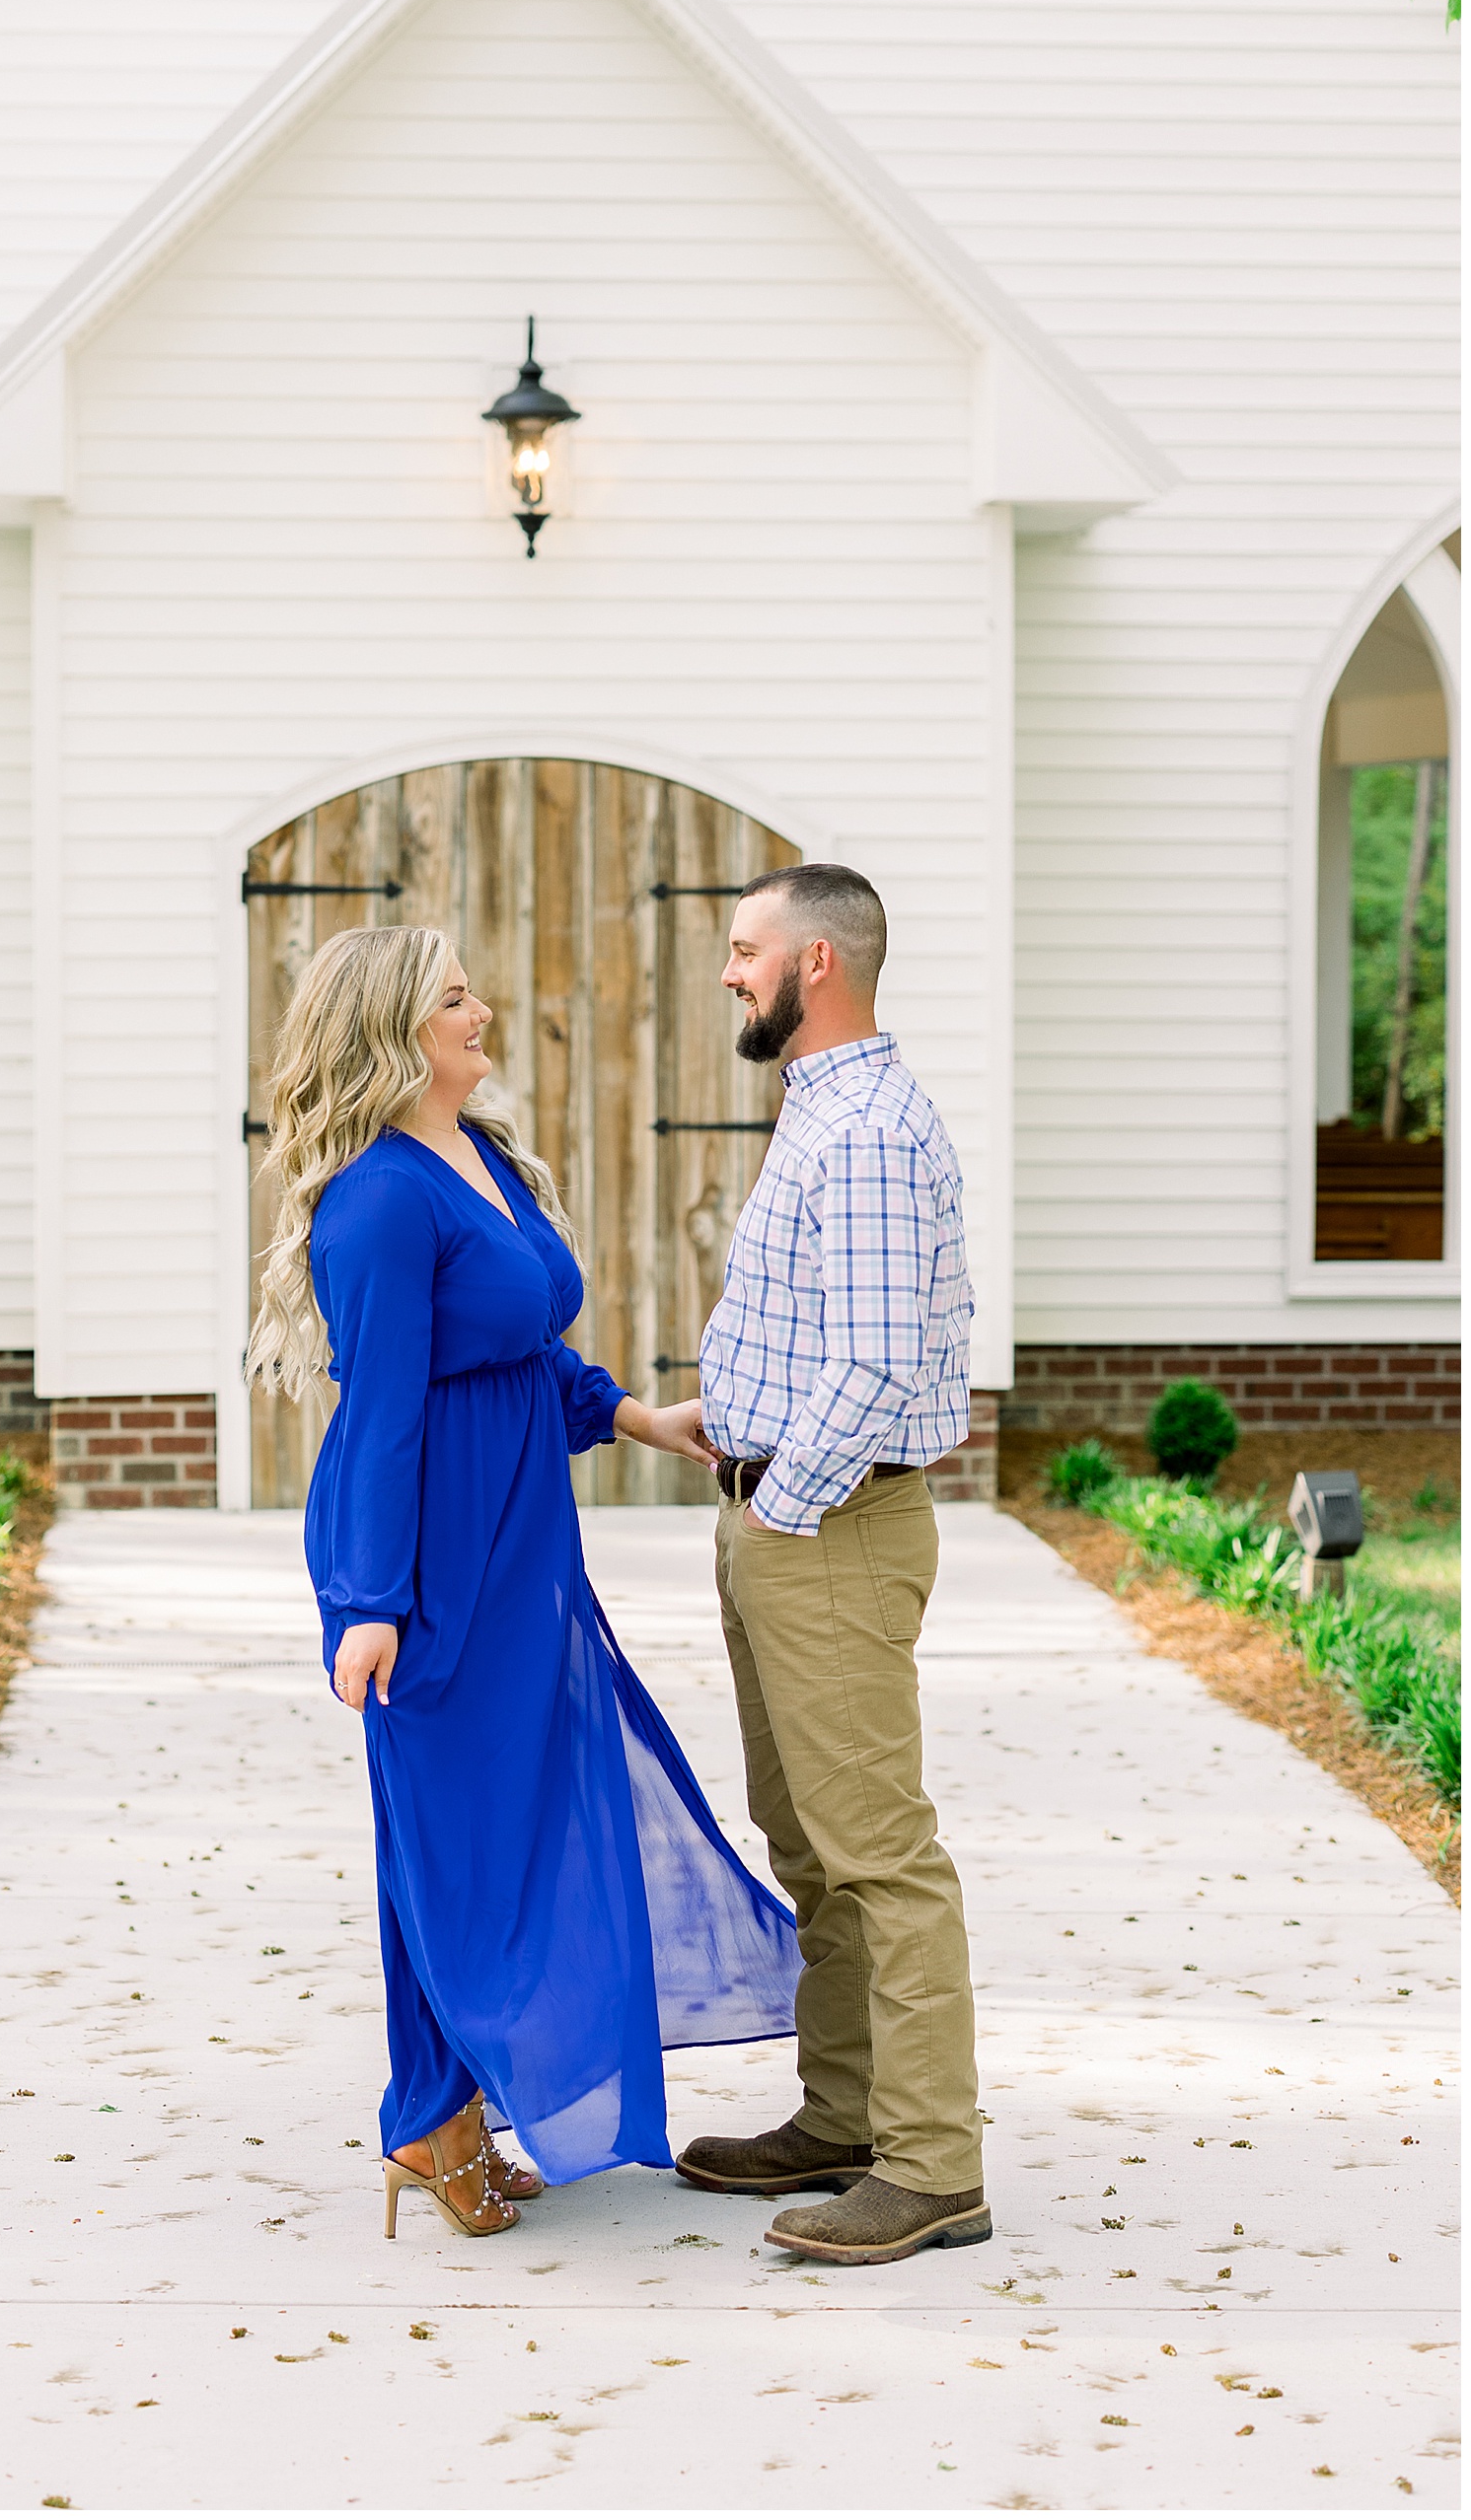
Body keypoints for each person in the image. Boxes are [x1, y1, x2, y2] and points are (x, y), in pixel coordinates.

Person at [246, 922, 799, 2241]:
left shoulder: (479, 1156)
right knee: (448, 1841)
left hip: (518, 1541)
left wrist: (640, 1418)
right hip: (430, 1554)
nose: (482, 1009)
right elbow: (382, 1405)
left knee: (525, 1819)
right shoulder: (382, 1195)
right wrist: (370, 1601)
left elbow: (514, 1356)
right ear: (393, 1032)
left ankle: (449, 2112)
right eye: (453, 997)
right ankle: (430, 2114)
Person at [678, 861, 992, 2268]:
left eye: (745, 948)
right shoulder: (828, 1110)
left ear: (817, 964)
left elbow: (869, 1360)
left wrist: (780, 1505)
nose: (729, 971)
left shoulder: (862, 1129)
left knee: (880, 1854)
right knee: (811, 1846)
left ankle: (932, 2166)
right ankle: (850, 2113)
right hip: (788, 1520)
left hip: (826, 1529)